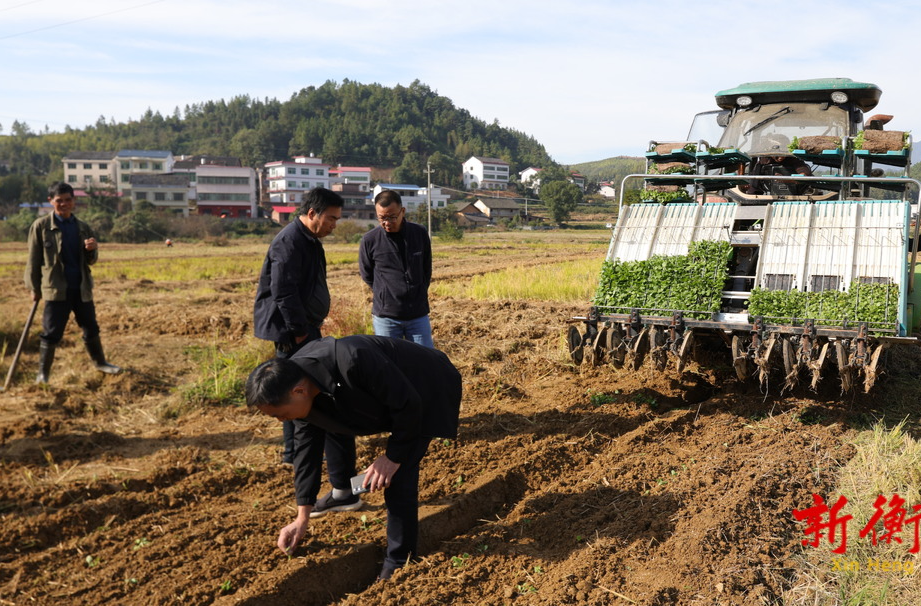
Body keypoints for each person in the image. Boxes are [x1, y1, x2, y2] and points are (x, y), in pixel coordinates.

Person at [245, 335, 462, 580]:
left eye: (280, 415)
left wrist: (391, 457)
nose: (281, 421)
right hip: (386, 398)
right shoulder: (298, 379)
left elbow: (409, 406)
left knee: (397, 474)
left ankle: (400, 561)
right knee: (329, 421)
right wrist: (302, 517)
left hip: (428, 387)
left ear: (299, 391)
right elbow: (306, 450)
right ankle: (348, 491)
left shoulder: (353, 359)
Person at [253, 187, 344, 465]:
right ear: (312, 212)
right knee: (292, 389)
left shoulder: (309, 240)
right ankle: (293, 453)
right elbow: (283, 291)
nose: (333, 225)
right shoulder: (290, 241)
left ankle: (301, 448)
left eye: (337, 220)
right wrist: (300, 331)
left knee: (300, 387)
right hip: (293, 332)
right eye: (330, 218)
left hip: (303, 327)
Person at [24, 182, 121, 384]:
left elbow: (91, 261)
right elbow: (33, 261)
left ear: (74, 201)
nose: (64, 204)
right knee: (51, 333)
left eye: (68, 200)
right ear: (51, 201)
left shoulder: (83, 227)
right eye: (59, 201)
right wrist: (34, 288)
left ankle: (101, 362)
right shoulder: (41, 227)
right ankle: (43, 375)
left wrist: (92, 250)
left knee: (91, 327)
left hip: (81, 288)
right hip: (56, 289)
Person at [358, 190, 434, 348]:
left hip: (418, 315)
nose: (387, 223)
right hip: (387, 318)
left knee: (427, 361)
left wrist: (417, 291)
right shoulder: (370, 240)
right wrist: (385, 293)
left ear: (402, 212)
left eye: (392, 217)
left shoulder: (419, 234)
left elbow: (426, 268)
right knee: (390, 364)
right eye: (382, 218)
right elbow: (367, 274)